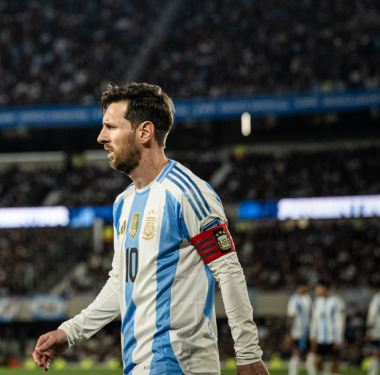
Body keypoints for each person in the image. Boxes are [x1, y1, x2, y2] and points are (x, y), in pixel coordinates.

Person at [32, 83, 268, 375]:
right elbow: (121, 282)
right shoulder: (123, 202)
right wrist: (71, 332)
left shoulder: (186, 192)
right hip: (137, 364)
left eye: (111, 127)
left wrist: (247, 354)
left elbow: (228, 271)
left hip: (179, 364)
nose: (101, 137)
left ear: (144, 132)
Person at [309, 281, 345, 375]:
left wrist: (339, 339)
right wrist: (313, 335)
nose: (316, 291)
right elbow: (315, 319)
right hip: (321, 337)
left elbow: (340, 321)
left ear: (325, 289)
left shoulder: (337, 301)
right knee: (317, 362)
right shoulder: (317, 302)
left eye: (318, 288)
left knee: (335, 363)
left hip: (333, 337)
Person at [286, 284, 315, 375]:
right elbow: (291, 316)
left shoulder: (306, 299)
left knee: (308, 351)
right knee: (298, 352)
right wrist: (289, 332)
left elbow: (311, 315)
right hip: (299, 331)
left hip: (306, 330)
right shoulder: (296, 299)